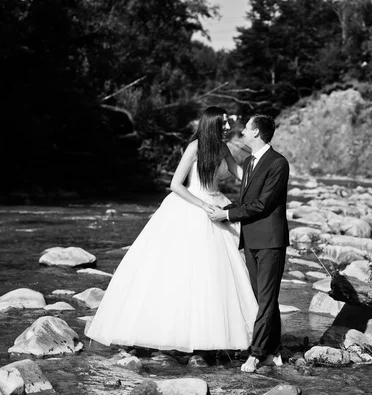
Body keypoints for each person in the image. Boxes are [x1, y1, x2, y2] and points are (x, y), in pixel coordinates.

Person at [85, 106, 258, 353]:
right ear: (212, 125)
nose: (229, 127)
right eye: (224, 123)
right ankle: (175, 333)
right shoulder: (194, 147)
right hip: (192, 205)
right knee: (184, 270)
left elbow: (238, 172)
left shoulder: (223, 147)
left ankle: (219, 334)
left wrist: (260, 182)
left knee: (218, 271)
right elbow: (175, 185)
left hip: (217, 202)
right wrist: (202, 205)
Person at [208, 114, 289, 373]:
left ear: (256, 132)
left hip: (270, 241)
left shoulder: (278, 163)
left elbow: (263, 204)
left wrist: (228, 215)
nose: (242, 130)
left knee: (265, 300)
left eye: (247, 127)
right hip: (252, 239)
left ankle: (255, 354)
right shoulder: (249, 161)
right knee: (262, 298)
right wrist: (224, 208)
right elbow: (246, 203)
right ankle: (273, 351)